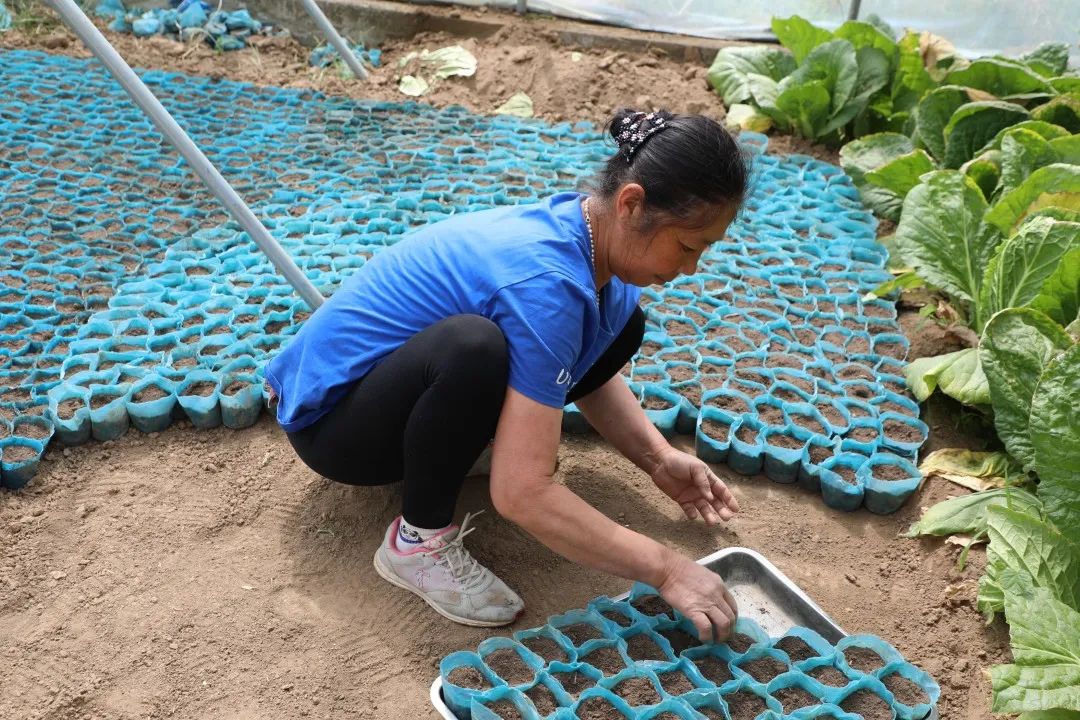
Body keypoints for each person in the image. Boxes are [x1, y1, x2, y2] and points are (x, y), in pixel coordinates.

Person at [265, 109, 750, 642]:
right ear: (632, 204)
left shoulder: (590, 239)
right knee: (474, 349)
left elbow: (573, 363)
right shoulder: (547, 281)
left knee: (621, 324)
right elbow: (522, 495)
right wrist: (668, 568)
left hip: (396, 388)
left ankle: (454, 444)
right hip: (333, 423)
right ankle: (416, 545)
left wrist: (658, 458)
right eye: (687, 245)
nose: (691, 268)